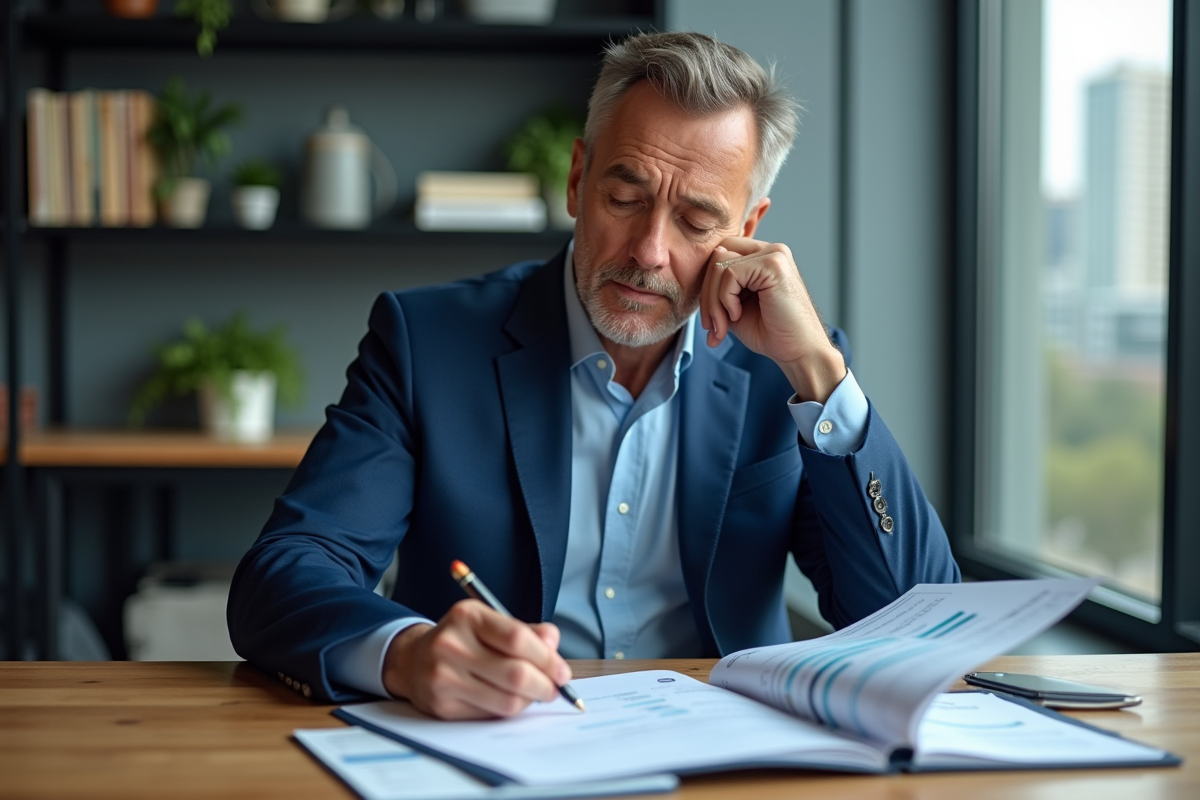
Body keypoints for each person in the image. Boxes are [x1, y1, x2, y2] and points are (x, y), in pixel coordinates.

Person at [227, 31, 959, 719]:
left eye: (697, 221)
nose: (648, 250)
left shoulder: (789, 372)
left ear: (749, 227)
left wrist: (819, 375)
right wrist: (407, 655)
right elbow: (286, 573)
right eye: (625, 197)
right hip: (496, 749)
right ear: (577, 181)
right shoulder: (427, 343)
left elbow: (915, 623)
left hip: (728, 764)